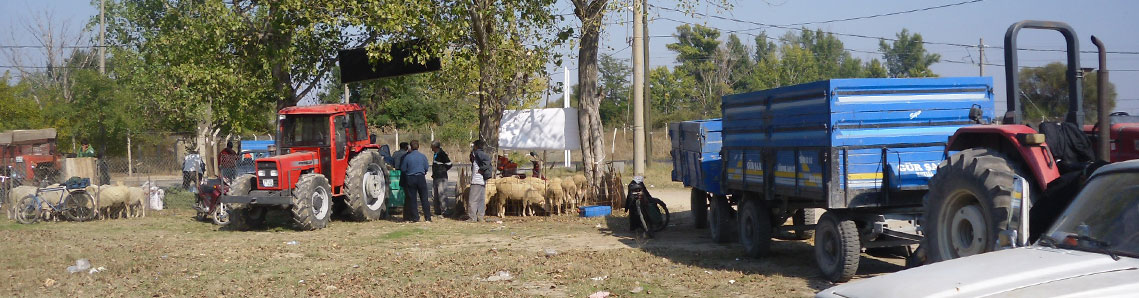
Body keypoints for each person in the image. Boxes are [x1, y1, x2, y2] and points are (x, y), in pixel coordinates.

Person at [400, 140, 432, 222]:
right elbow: (426, 167)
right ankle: (428, 217)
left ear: (410, 147)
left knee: (412, 199)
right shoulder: (423, 156)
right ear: (418, 146)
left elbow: (403, 169)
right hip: (421, 177)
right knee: (424, 198)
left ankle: (415, 217)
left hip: (410, 178)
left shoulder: (407, 157)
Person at [468, 139, 492, 222]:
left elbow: (487, 161)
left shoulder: (479, 153)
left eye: (473, 145)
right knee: (481, 200)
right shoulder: (477, 154)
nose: (472, 147)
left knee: (473, 200)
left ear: (476, 146)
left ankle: (472, 218)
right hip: (482, 181)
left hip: (477, 180)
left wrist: (481, 169)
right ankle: (480, 217)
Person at [430, 141, 453, 216]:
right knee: (434, 194)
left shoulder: (442, 154)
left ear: (435, 147)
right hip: (435, 177)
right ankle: (437, 211)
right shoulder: (435, 154)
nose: (431, 149)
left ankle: (445, 211)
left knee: (442, 194)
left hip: (442, 177)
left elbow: (449, 164)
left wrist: (442, 170)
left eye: (432, 147)